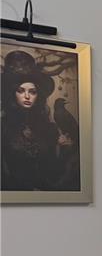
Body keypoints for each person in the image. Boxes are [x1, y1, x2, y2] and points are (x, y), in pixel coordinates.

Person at [1, 49, 79, 191]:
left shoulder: (49, 129)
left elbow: (54, 173)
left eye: (32, 91)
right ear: (12, 94)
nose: (27, 96)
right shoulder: (3, 127)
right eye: (20, 90)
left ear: (38, 96)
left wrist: (64, 149)